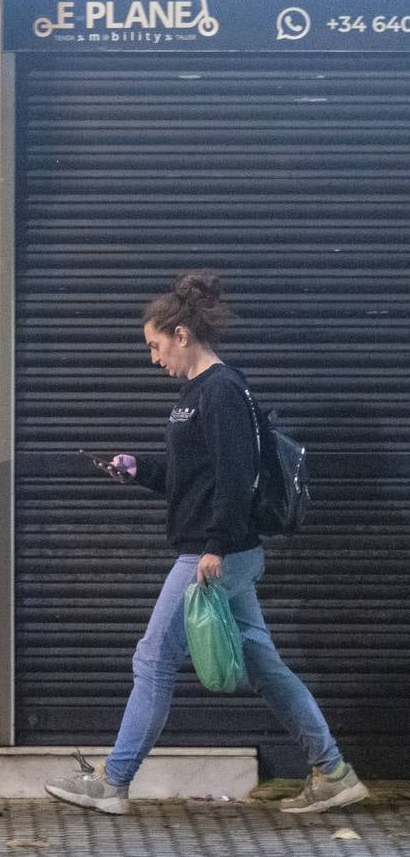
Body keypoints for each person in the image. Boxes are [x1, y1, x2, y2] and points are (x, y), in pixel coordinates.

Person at [45, 270, 367, 816]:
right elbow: (194, 474)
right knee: (263, 664)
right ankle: (333, 771)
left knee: (153, 658)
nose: (153, 358)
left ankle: (113, 783)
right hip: (224, 551)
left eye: (155, 345)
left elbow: (236, 474)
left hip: (214, 554)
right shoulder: (197, 393)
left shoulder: (221, 390)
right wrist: (139, 468)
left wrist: (216, 545)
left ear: (181, 334)